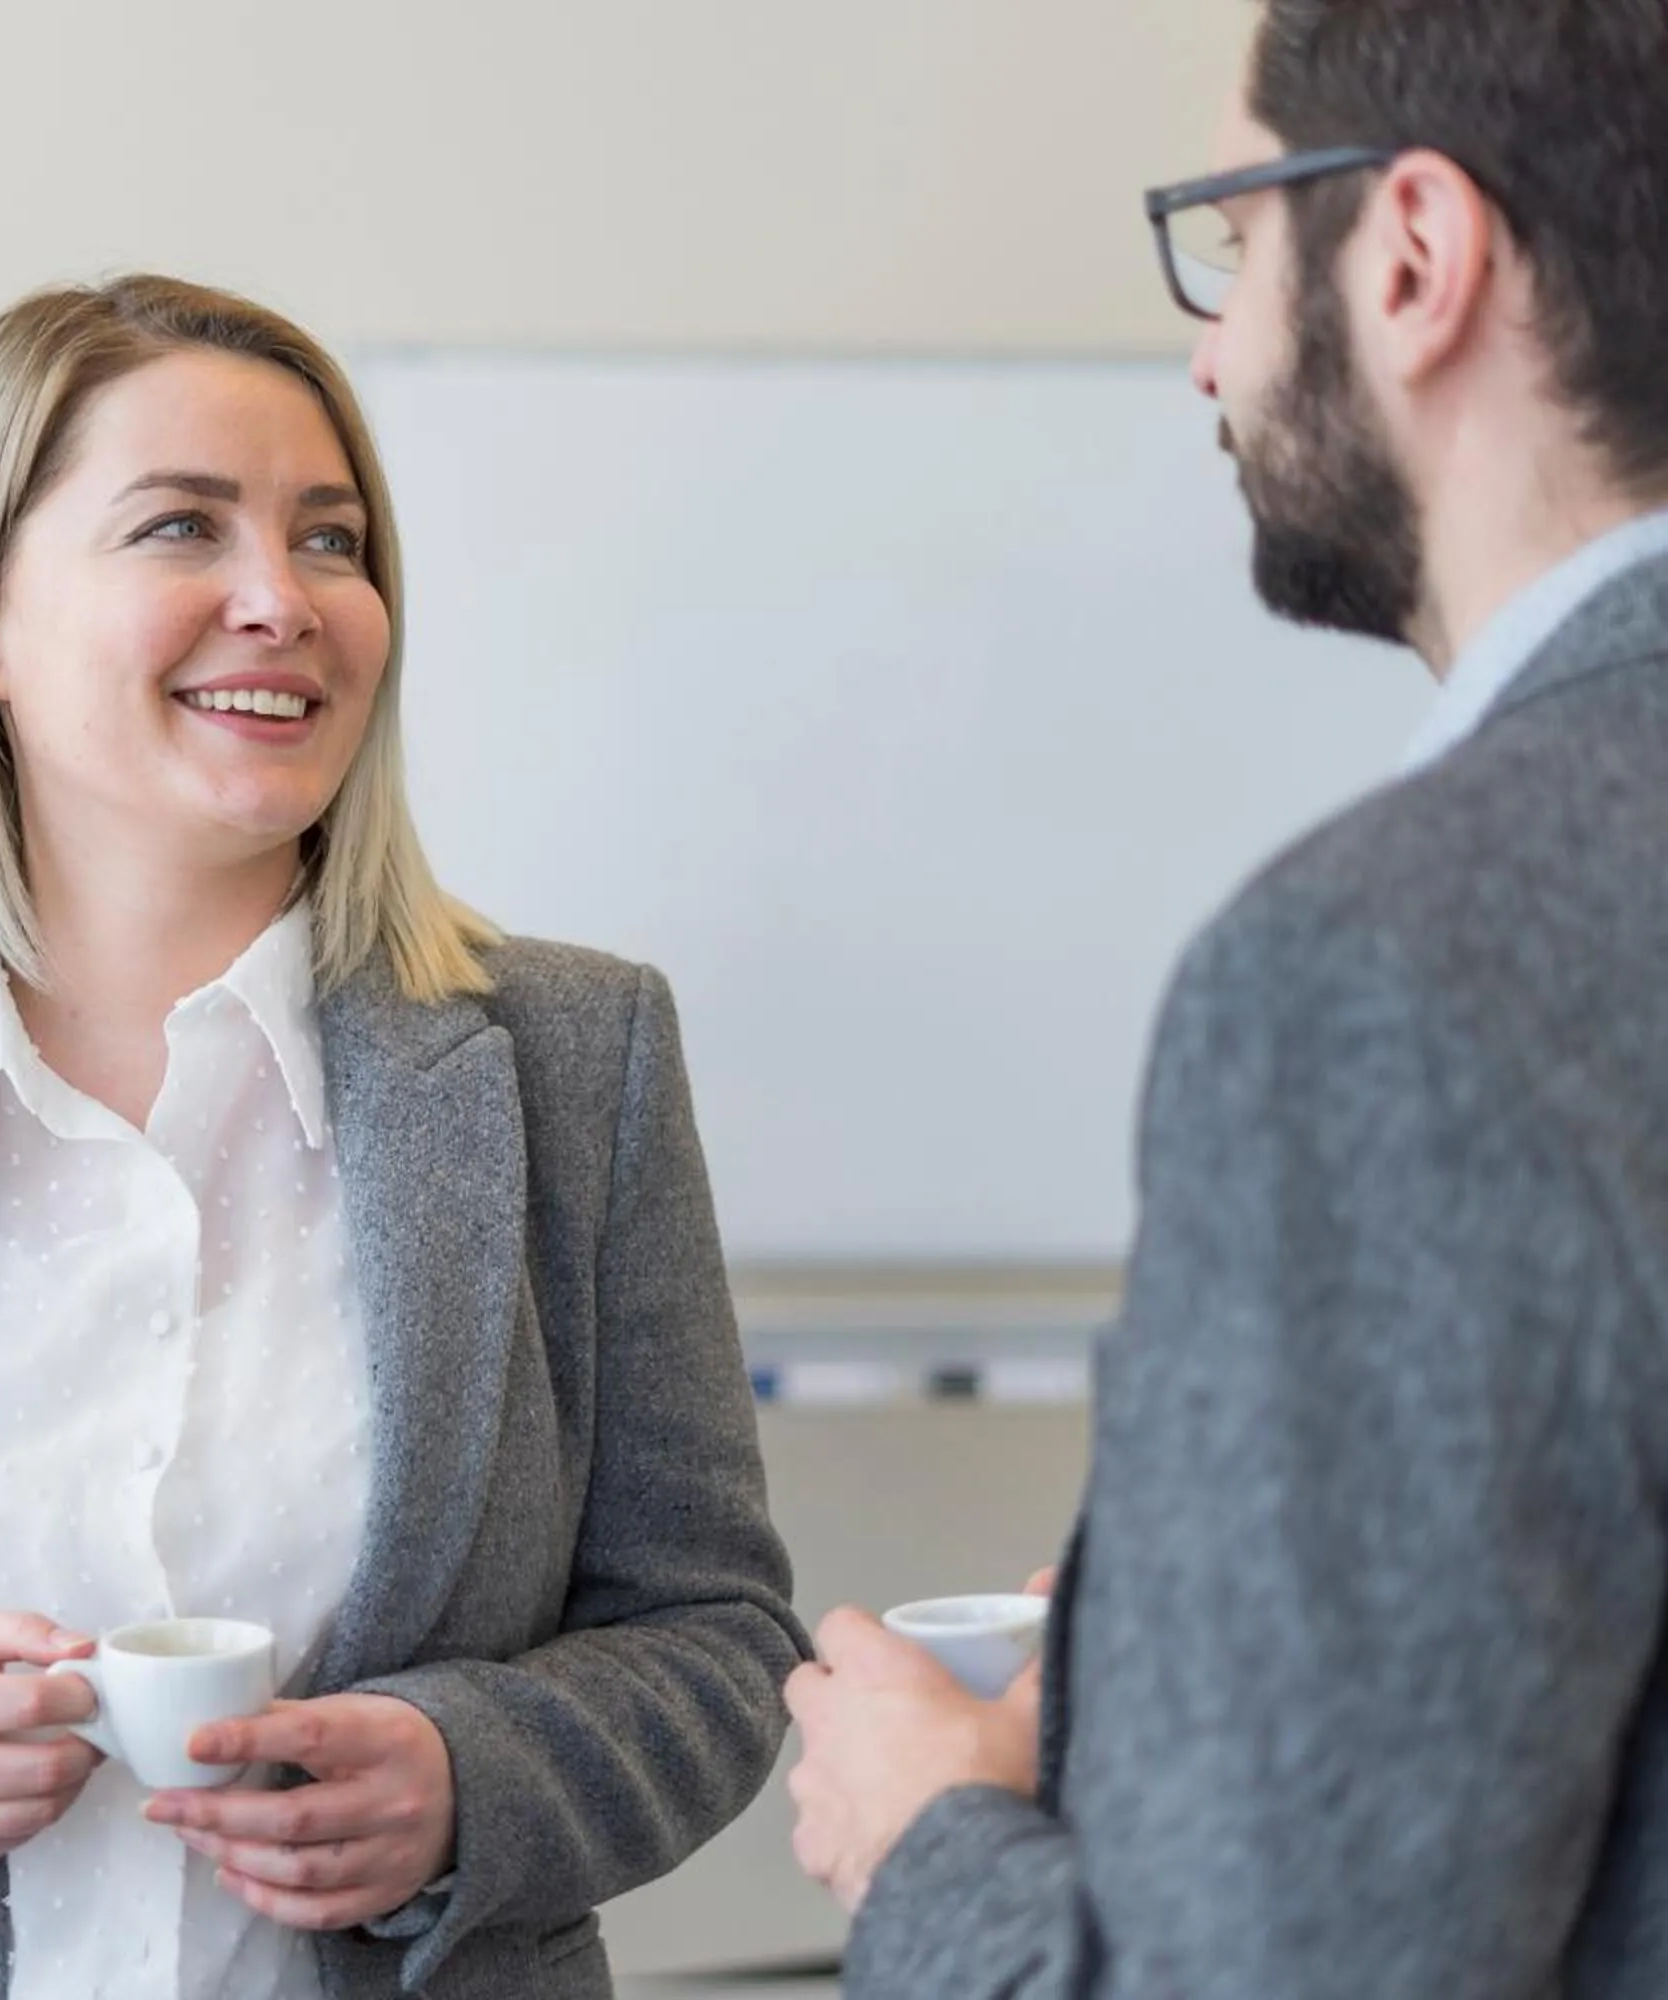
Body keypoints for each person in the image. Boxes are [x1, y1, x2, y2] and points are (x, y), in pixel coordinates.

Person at [0, 273, 806, 1999]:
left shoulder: (577, 1060)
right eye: (183, 525)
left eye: (331, 540)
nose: (283, 599)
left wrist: (468, 1779)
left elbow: (714, 1641)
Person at [783, 4, 1668, 1992]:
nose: (1208, 347)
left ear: (1414, 255)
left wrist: (928, 1841)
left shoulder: (1384, 968)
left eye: (1240, 237)